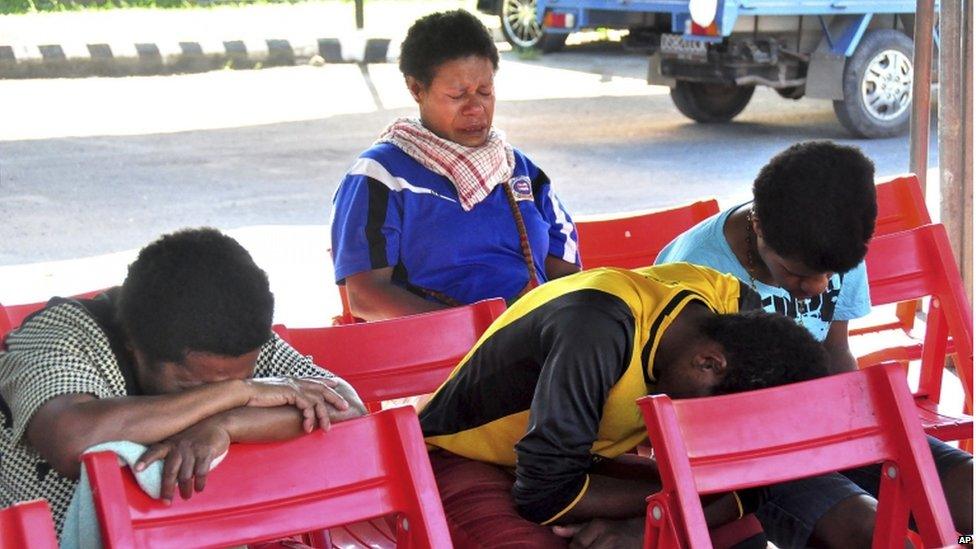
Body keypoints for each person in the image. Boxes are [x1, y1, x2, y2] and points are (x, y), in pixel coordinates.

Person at [655, 141, 972, 548]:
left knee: (968, 487)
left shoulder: (835, 239)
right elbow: (680, 410)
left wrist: (865, 437)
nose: (818, 287)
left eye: (829, 274)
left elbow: (835, 354)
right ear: (758, 226)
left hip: (824, 418)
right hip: (745, 447)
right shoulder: (694, 272)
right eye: (798, 274)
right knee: (873, 535)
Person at [418, 263, 830, 547]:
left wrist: (652, 521)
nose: (710, 431)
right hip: (457, 459)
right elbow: (544, 494)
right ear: (707, 363)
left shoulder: (736, 319)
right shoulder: (597, 331)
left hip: (575, 461)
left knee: (740, 534)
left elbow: (752, 478)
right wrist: (675, 505)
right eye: (716, 414)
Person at [0, 228, 367, 537]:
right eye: (193, 387)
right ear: (133, 345)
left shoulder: (232, 334)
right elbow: (73, 441)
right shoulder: (58, 337)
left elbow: (347, 406)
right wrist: (242, 392)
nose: (221, 391)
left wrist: (227, 424)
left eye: (238, 378)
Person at [330, 10, 580, 321]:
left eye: (485, 92)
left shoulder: (520, 171)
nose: (476, 108)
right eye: (457, 95)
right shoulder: (381, 177)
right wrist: (472, 331)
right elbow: (366, 296)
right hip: (443, 354)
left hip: (537, 339)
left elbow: (566, 273)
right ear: (416, 89)